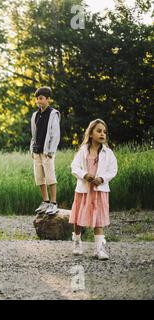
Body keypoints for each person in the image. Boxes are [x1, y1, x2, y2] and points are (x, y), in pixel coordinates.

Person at [69, 119, 118, 260]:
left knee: (99, 219)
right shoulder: (83, 151)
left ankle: (99, 248)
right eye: (99, 131)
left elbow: (113, 170)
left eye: (104, 132)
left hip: (99, 190)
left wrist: (102, 178)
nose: (102, 134)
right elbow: (74, 167)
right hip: (84, 190)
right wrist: (84, 175)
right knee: (78, 218)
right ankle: (77, 241)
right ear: (90, 134)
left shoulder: (108, 153)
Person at [30, 86, 61, 215]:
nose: (38, 101)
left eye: (41, 98)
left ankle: (53, 203)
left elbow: (55, 134)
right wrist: (32, 149)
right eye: (37, 99)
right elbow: (33, 133)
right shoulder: (35, 115)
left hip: (47, 152)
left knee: (50, 177)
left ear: (48, 99)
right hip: (36, 151)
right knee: (39, 177)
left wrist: (51, 151)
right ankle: (45, 201)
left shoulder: (53, 114)